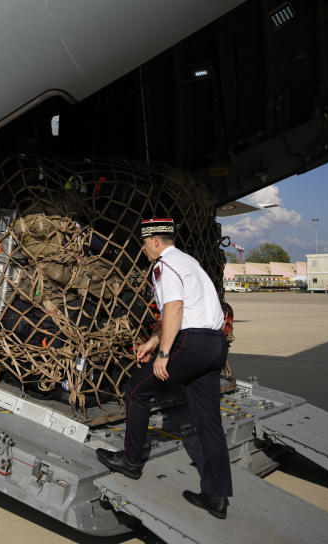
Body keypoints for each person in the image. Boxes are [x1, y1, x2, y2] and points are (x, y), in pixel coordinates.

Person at [96, 218, 232, 519]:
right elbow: (188, 308)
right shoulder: (189, 262)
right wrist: (152, 341)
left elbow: (174, 308)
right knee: (208, 421)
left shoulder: (163, 266)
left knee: (136, 391)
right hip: (214, 345)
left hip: (191, 344)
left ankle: (131, 461)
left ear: (155, 241)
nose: (143, 248)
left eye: (145, 242)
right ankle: (217, 495)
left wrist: (164, 353)